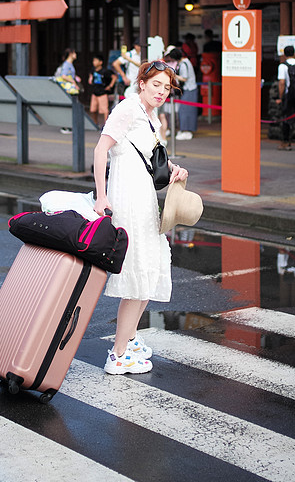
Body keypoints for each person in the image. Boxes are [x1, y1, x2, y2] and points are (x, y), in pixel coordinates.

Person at [93, 60, 188, 374]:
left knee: (150, 268)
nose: (161, 92)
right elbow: (100, 149)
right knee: (136, 275)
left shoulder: (151, 115)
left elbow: (154, 158)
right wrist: (101, 195)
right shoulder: (128, 109)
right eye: (156, 85)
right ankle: (118, 355)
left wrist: (174, 169)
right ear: (142, 83)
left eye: (166, 87)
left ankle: (130, 340)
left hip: (146, 199)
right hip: (127, 200)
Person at [167, 46, 198, 140]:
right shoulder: (186, 62)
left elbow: (184, 78)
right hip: (190, 89)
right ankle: (185, 130)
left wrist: (173, 75)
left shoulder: (184, 64)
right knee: (186, 111)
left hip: (189, 89)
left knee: (185, 111)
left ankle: (187, 131)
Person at [54, 48, 79, 134]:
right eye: (74, 52)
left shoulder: (69, 64)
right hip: (68, 88)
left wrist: (75, 78)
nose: (76, 54)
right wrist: (73, 81)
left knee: (69, 106)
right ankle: (65, 126)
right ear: (71, 54)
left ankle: (67, 126)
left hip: (68, 87)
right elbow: (64, 76)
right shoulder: (67, 64)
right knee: (68, 106)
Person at [87, 52, 115, 128]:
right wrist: (90, 78)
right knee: (93, 110)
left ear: (100, 62)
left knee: (104, 110)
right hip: (95, 92)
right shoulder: (93, 70)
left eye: (96, 61)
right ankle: (95, 123)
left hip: (102, 92)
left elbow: (114, 77)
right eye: (93, 61)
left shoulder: (105, 71)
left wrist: (110, 86)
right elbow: (90, 75)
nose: (94, 62)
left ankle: (106, 125)